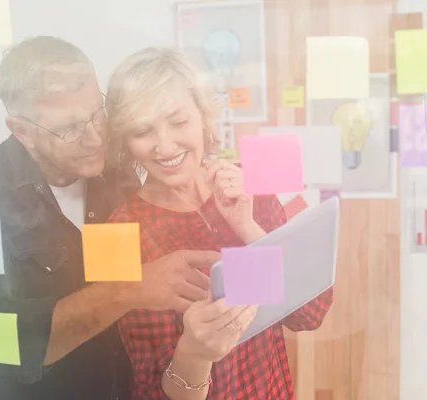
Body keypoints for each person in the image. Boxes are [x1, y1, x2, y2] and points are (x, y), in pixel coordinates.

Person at [0, 37, 221, 400]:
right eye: (70, 128)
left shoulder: (116, 176)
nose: (96, 137)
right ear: (22, 132)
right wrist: (128, 290)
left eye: (97, 113)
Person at [105, 47, 334, 400]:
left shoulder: (250, 186)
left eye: (178, 122)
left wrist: (248, 229)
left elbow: (310, 314)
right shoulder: (116, 235)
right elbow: (149, 390)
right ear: (126, 140)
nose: (165, 146)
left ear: (202, 116)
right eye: (142, 131)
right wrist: (193, 354)